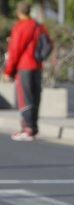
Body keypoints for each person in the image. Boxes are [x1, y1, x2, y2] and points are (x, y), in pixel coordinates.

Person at [4, 1, 51, 142]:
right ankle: (33, 127)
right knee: (35, 97)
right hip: (37, 66)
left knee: (25, 98)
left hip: (24, 67)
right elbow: (49, 44)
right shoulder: (39, 26)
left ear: (18, 12)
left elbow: (15, 50)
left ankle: (27, 129)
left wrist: (8, 71)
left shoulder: (20, 27)